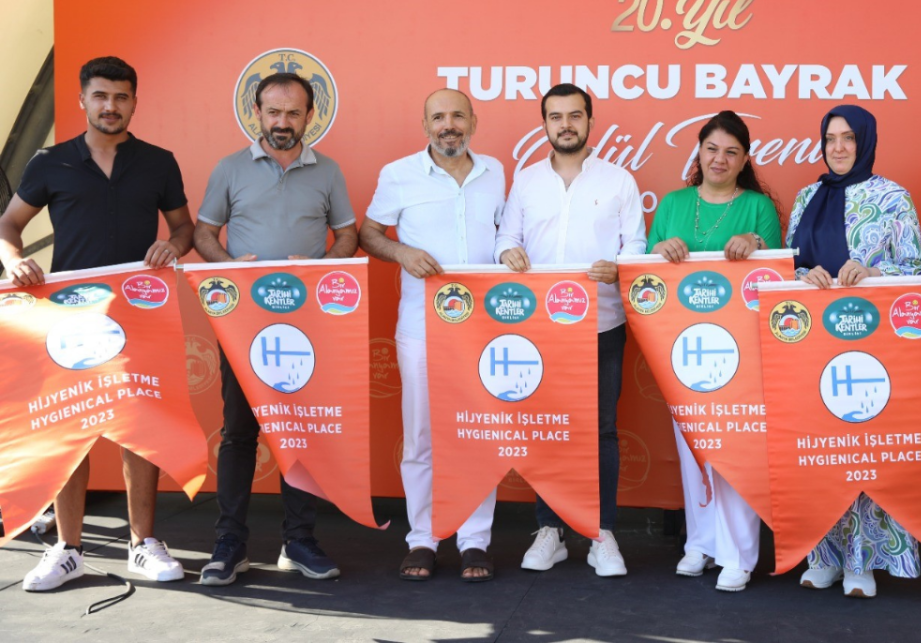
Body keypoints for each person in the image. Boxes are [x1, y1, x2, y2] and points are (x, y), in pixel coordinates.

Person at [0, 56, 195, 591]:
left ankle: (143, 544)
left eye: (121, 97)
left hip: (139, 314)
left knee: (141, 427)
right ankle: (68, 550)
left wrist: (173, 246)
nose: (111, 106)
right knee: (71, 427)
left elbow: (183, 228)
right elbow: (8, 225)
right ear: (83, 100)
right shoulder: (50, 162)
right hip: (69, 316)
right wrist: (12, 260)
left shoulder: (158, 162)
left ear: (134, 102)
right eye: (101, 96)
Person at [193, 72, 358, 586]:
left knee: (301, 428)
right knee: (239, 432)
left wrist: (321, 272)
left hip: (306, 326)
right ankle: (229, 543)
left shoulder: (328, 171)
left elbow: (348, 235)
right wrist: (230, 270)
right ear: (257, 113)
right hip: (243, 323)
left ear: (310, 116)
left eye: (293, 113)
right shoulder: (229, 168)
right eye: (273, 112)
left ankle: (299, 541)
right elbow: (203, 232)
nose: (282, 122)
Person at [496, 83, 647, 577]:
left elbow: (636, 247)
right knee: (546, 427)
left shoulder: (619, 180)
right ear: (544, 124)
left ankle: (601, 532)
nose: (566, 125)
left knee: (601, 429)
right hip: (538, 327)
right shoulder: (525, 181)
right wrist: (506, 252)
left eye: (575, 116)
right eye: (556, 116)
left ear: (590, 122)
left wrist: (619, 267)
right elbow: (507, 237)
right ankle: (550, 530)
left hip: (601, 323)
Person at [359, 89, 506, 582]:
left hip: (484, 328)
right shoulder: (398, 174)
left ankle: (474, 540)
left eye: (458, 116)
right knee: (421, 435)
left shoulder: (495, 173)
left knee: (479, 432)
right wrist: (402, 253)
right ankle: (423, 538)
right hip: (421, 325)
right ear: (425, 126)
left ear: (473, 123)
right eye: (438, 117)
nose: (449, 125)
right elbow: (369, 233)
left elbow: (505, 236)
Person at [785, 104, 921, 598]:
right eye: (830, 139)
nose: (839, 147)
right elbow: (786, 268)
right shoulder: (807, 196)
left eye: (849, 137)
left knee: (866, 449)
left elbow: (918, 270)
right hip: (814, 345)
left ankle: (862, 561)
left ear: (865, 141)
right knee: (820, 449)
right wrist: (804, 275)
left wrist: (872, 273)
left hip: (874, 345)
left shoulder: (892, 197)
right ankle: (824, 555)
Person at [645, 110, 781, 592]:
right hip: (683, 346)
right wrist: (659, 251)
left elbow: (776, 276)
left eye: (731, 151)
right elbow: (645, 275)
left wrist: (756, 242)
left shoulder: (758, 208)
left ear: (745, 160)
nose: (719, 159)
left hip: (741, 350)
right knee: (692, 447)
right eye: (711, 149)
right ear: (698, 153)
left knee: (736, 446)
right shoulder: (673, 203)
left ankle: (738, 554)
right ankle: (701, 544)